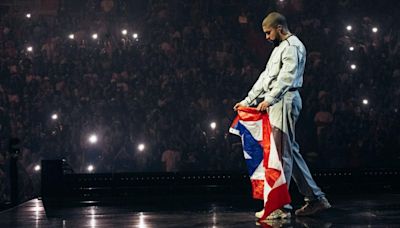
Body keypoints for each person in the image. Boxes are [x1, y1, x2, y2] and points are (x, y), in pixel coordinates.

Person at [233, 12, 331, 220]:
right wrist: (249, 100)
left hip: (284, 100)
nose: (266, 37)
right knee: (289, 152)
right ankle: (315, 198)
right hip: (278, 100)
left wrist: (270, 99)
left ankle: (280, 206)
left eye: (268, 32)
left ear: (279, 28)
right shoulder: (279, 48)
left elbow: (287, 77)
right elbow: (265, 77)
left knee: (281, 155)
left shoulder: (292, 47)